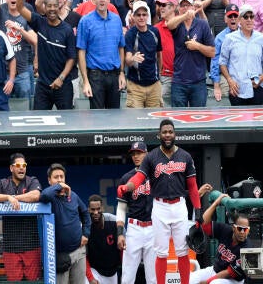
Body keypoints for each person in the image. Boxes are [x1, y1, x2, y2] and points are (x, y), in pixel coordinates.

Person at [117, 119, 202, 284]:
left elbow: (192, 187)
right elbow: (139, 178)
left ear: (175, 134)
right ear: (159, 135)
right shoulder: (151, 157)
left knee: (183, 251)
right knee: (162, 253)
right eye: (164, 132)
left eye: (170, 131)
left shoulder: (185, 156)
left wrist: (198, 210)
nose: (168, 135)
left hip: (179, 206)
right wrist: (127, 187)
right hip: (160, 206)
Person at [17, 0, 77, 110]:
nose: (52, 9)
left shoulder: (67, 30)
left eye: (55, 6)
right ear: (44, 7)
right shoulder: (40, 22)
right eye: (49, 6)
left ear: (59, 7)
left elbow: (72, 58)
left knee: (68, 124)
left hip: (63, 85)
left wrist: (61, 78)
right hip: (43, 85)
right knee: (39, 124)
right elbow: (19, 7)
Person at [0, 153, 42, 281]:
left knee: (33, 281)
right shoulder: (4, 183)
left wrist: (14, 198)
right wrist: (7, 197)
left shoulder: (31, 181)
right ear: (11, 168)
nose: (21, 168)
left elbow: (36, 195)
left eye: (24, 165)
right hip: (10, 246)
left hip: (31, 245)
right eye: (18, 165)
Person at [40, 163, 90, 284]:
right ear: (49, 180)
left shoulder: (73, 196)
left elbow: (86, 214)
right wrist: (59, 186)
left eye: (62, 177)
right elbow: (44, 195)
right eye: (56, 177)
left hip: (78, 252)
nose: (60, 179)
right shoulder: (49, 198)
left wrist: (86, 234)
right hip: (59, 255)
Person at [77, 0, 127, 109]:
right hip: (95, 76)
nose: (102, 0)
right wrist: (86, 82)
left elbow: (121, 48)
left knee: (115, 116)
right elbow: (81, 52)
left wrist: (121, 73)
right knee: (97, 118)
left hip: (114, 74)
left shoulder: (116, 20)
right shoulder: (85, 21)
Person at [189, 193, 252, 284]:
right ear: (234, 228)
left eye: (245, 229)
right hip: (215, 270)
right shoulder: (226, 230)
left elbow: (228, 273)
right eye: (240, 228)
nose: (242, 232)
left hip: (233, 280)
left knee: (214, 283)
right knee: (190, 278)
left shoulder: (247, 248)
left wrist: (207, 282)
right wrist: (216, 203)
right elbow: (204, 224)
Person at [117, 141, 156, 284]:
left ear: (147, 154)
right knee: (128, 276)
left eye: (139, 153)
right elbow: (121, 208)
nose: (136, 156)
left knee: (154, 277)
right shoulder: (127, 178)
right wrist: (120, 233)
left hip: (153, 228)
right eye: (133, 154)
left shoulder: (156, 176)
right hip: (134, 228)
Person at [166, 0, 215, 107]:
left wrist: (197, 46)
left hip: (198, 81)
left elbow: (212, 52)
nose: (185, 8)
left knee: (198, 118)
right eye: (182, 6)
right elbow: (169, 24)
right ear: (178, 8)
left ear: (193, 7)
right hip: (179, 81)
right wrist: (184, 16)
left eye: (188, 5)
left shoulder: (202, 24)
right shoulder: (177, 24)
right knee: (178, 118)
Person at [219, 4, 263, 106]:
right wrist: (230, 80)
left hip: (258, 88)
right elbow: (222, 62)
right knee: (238, 122)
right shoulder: (229, 38)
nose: (249, 20)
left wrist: (262, 78)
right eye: (245, 17)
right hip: (237, 89)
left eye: (251, 17)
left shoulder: (261, 38)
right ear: (239, 21)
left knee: (258, 122)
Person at [124, 0, 163, 108]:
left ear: (148, 16)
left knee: (155, 121)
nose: (141, 17)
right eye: (138, 15)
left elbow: (159, 54)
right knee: (135, 121)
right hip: (136, 86)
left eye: (144, 14)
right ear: (134, 16)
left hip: (154, 85)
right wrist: (133, 58)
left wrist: (159, 74)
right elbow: (127, 59)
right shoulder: (130, 34)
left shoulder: (154, 32)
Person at [86, 194, 122, 284]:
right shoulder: (85, 227)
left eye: (98, 209)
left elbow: (123, 249)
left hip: (112, 272)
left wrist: (125, 271)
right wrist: (90, 278)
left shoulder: (114, 221)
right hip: (94, 271)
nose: (95, 212)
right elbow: (83, 257)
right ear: (88, 209)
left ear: (102, 208)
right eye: (93, 209)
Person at [210, 4, 239, 103]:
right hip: (226, 75)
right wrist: (216, 85)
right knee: (226, 94)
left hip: (243, 74)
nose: (233, 19)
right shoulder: (220, 37)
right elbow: (215, 61)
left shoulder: (246, 34)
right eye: (230, 16)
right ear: (225, 19)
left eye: (235, 16)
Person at [154, 0, 177, 107]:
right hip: (164, 76)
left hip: (182, 78)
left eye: (164, 5)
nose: (160, 8)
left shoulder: (182, 25)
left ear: (173, 7)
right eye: (159, 5)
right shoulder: (156, 29)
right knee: (162, 113)